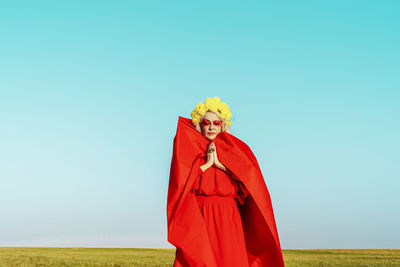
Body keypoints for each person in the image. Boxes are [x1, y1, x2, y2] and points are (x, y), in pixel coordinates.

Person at [167, 96, 285, 267]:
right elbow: (182, 187)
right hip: (201, 215)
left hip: (229, 216)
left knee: (230, 259)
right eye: (207, 123)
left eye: (216, 123)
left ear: (223, 125)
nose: (211, 127)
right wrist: (206, 165)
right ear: (200, 124)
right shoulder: (188, 149)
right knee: (200, 258)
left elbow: (247, 186)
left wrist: (221, 165)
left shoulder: (235, 150)